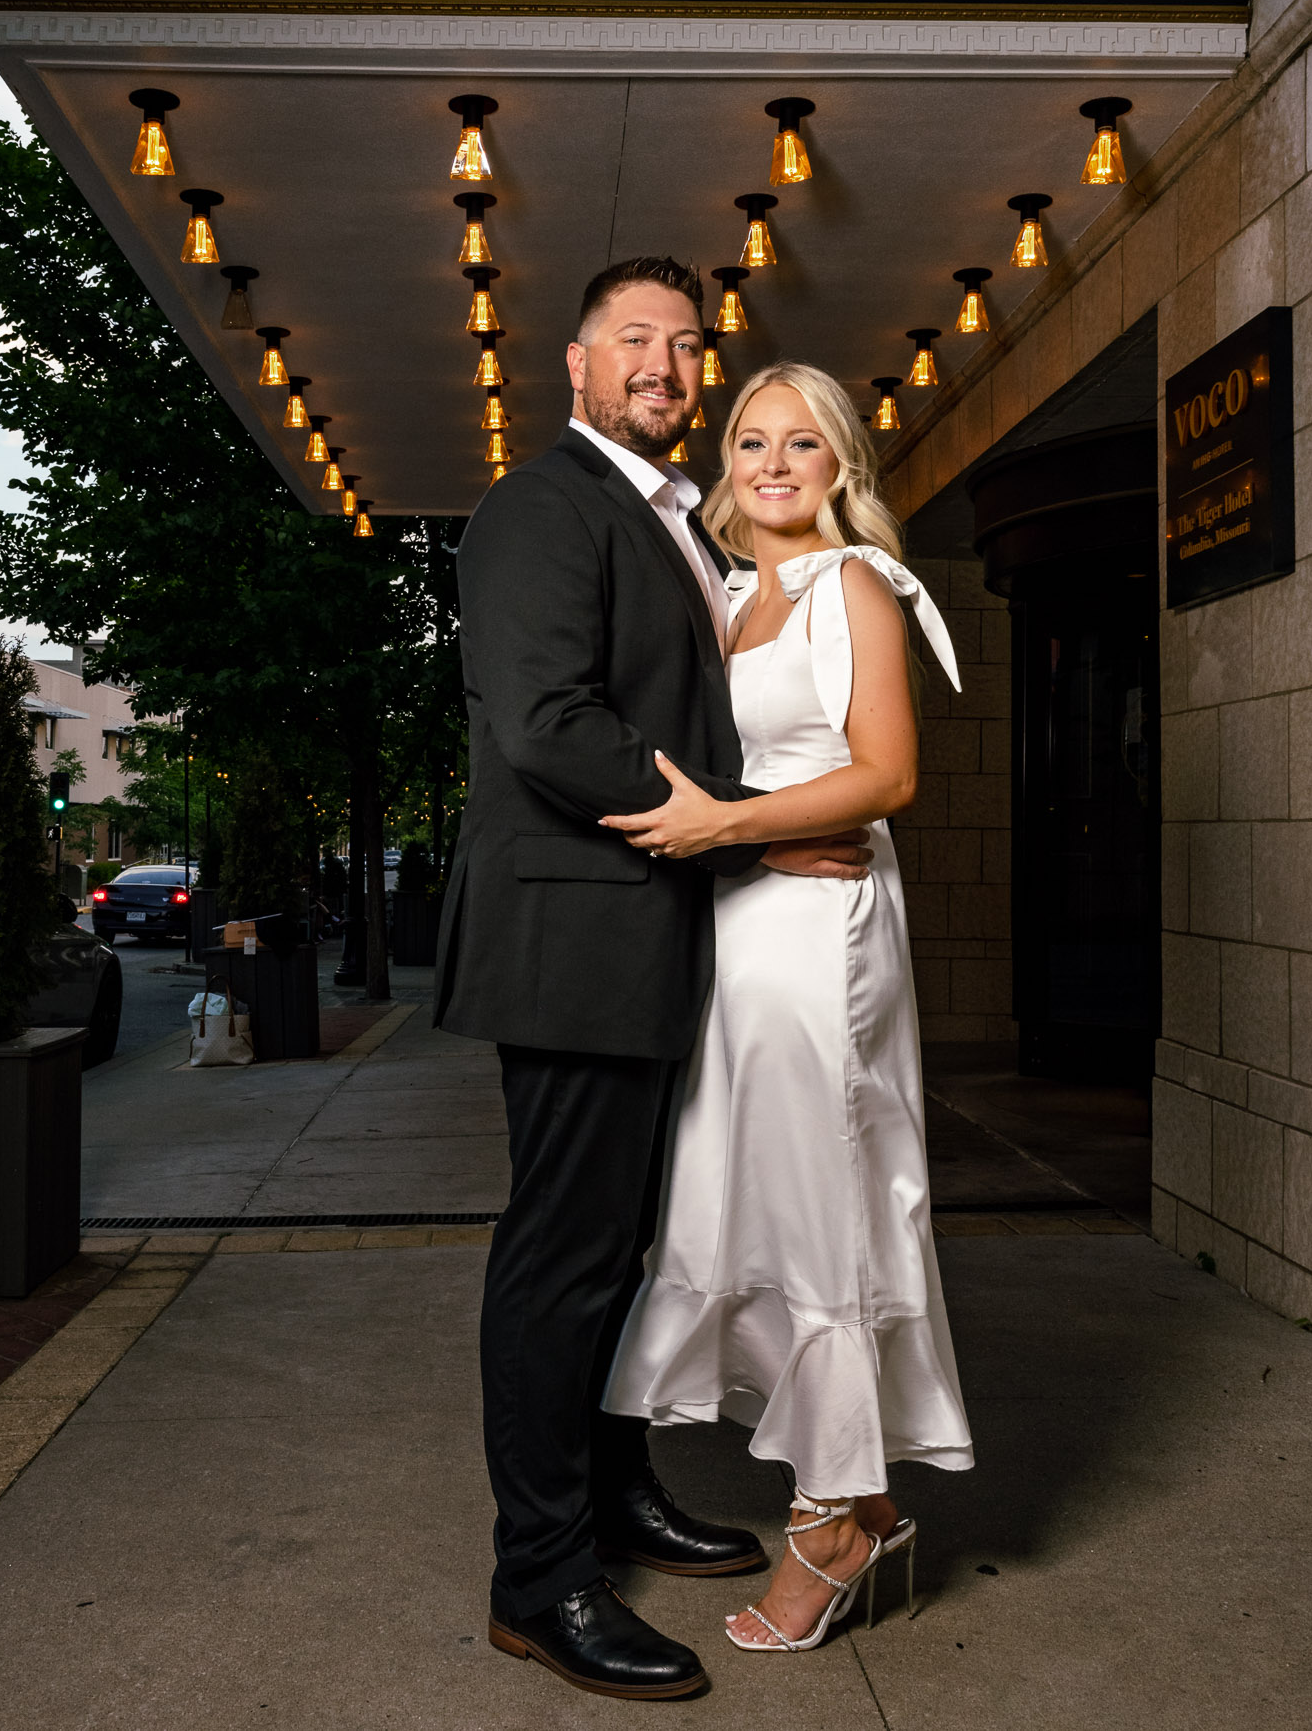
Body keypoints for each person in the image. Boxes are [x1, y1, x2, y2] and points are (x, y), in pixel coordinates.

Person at [435, 263, 873, 1701]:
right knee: (564, 1257)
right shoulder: (538, 507)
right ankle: (539, 1577)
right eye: (636, 339)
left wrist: (743, 840)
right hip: (575, 939)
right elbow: (550, 723)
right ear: (574, 362)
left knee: (626, 1250)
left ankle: (615, 1492)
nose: (666, 363)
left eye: (685, 344)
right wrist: (745, 828)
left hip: (656, 939)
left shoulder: (678, 519)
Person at [600, 363, 974, 1655]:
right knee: (748, 1190)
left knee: (827, 1199)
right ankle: (856, 1492)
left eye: (799, 443)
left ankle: (830, 1524)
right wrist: (737, 844)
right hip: (741, 919)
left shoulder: (853, 584)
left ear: (838, 463)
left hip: (823, 933)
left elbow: (887, 773)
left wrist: (735, 824)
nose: (770, 462)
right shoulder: (725, 594)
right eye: (750, 439)